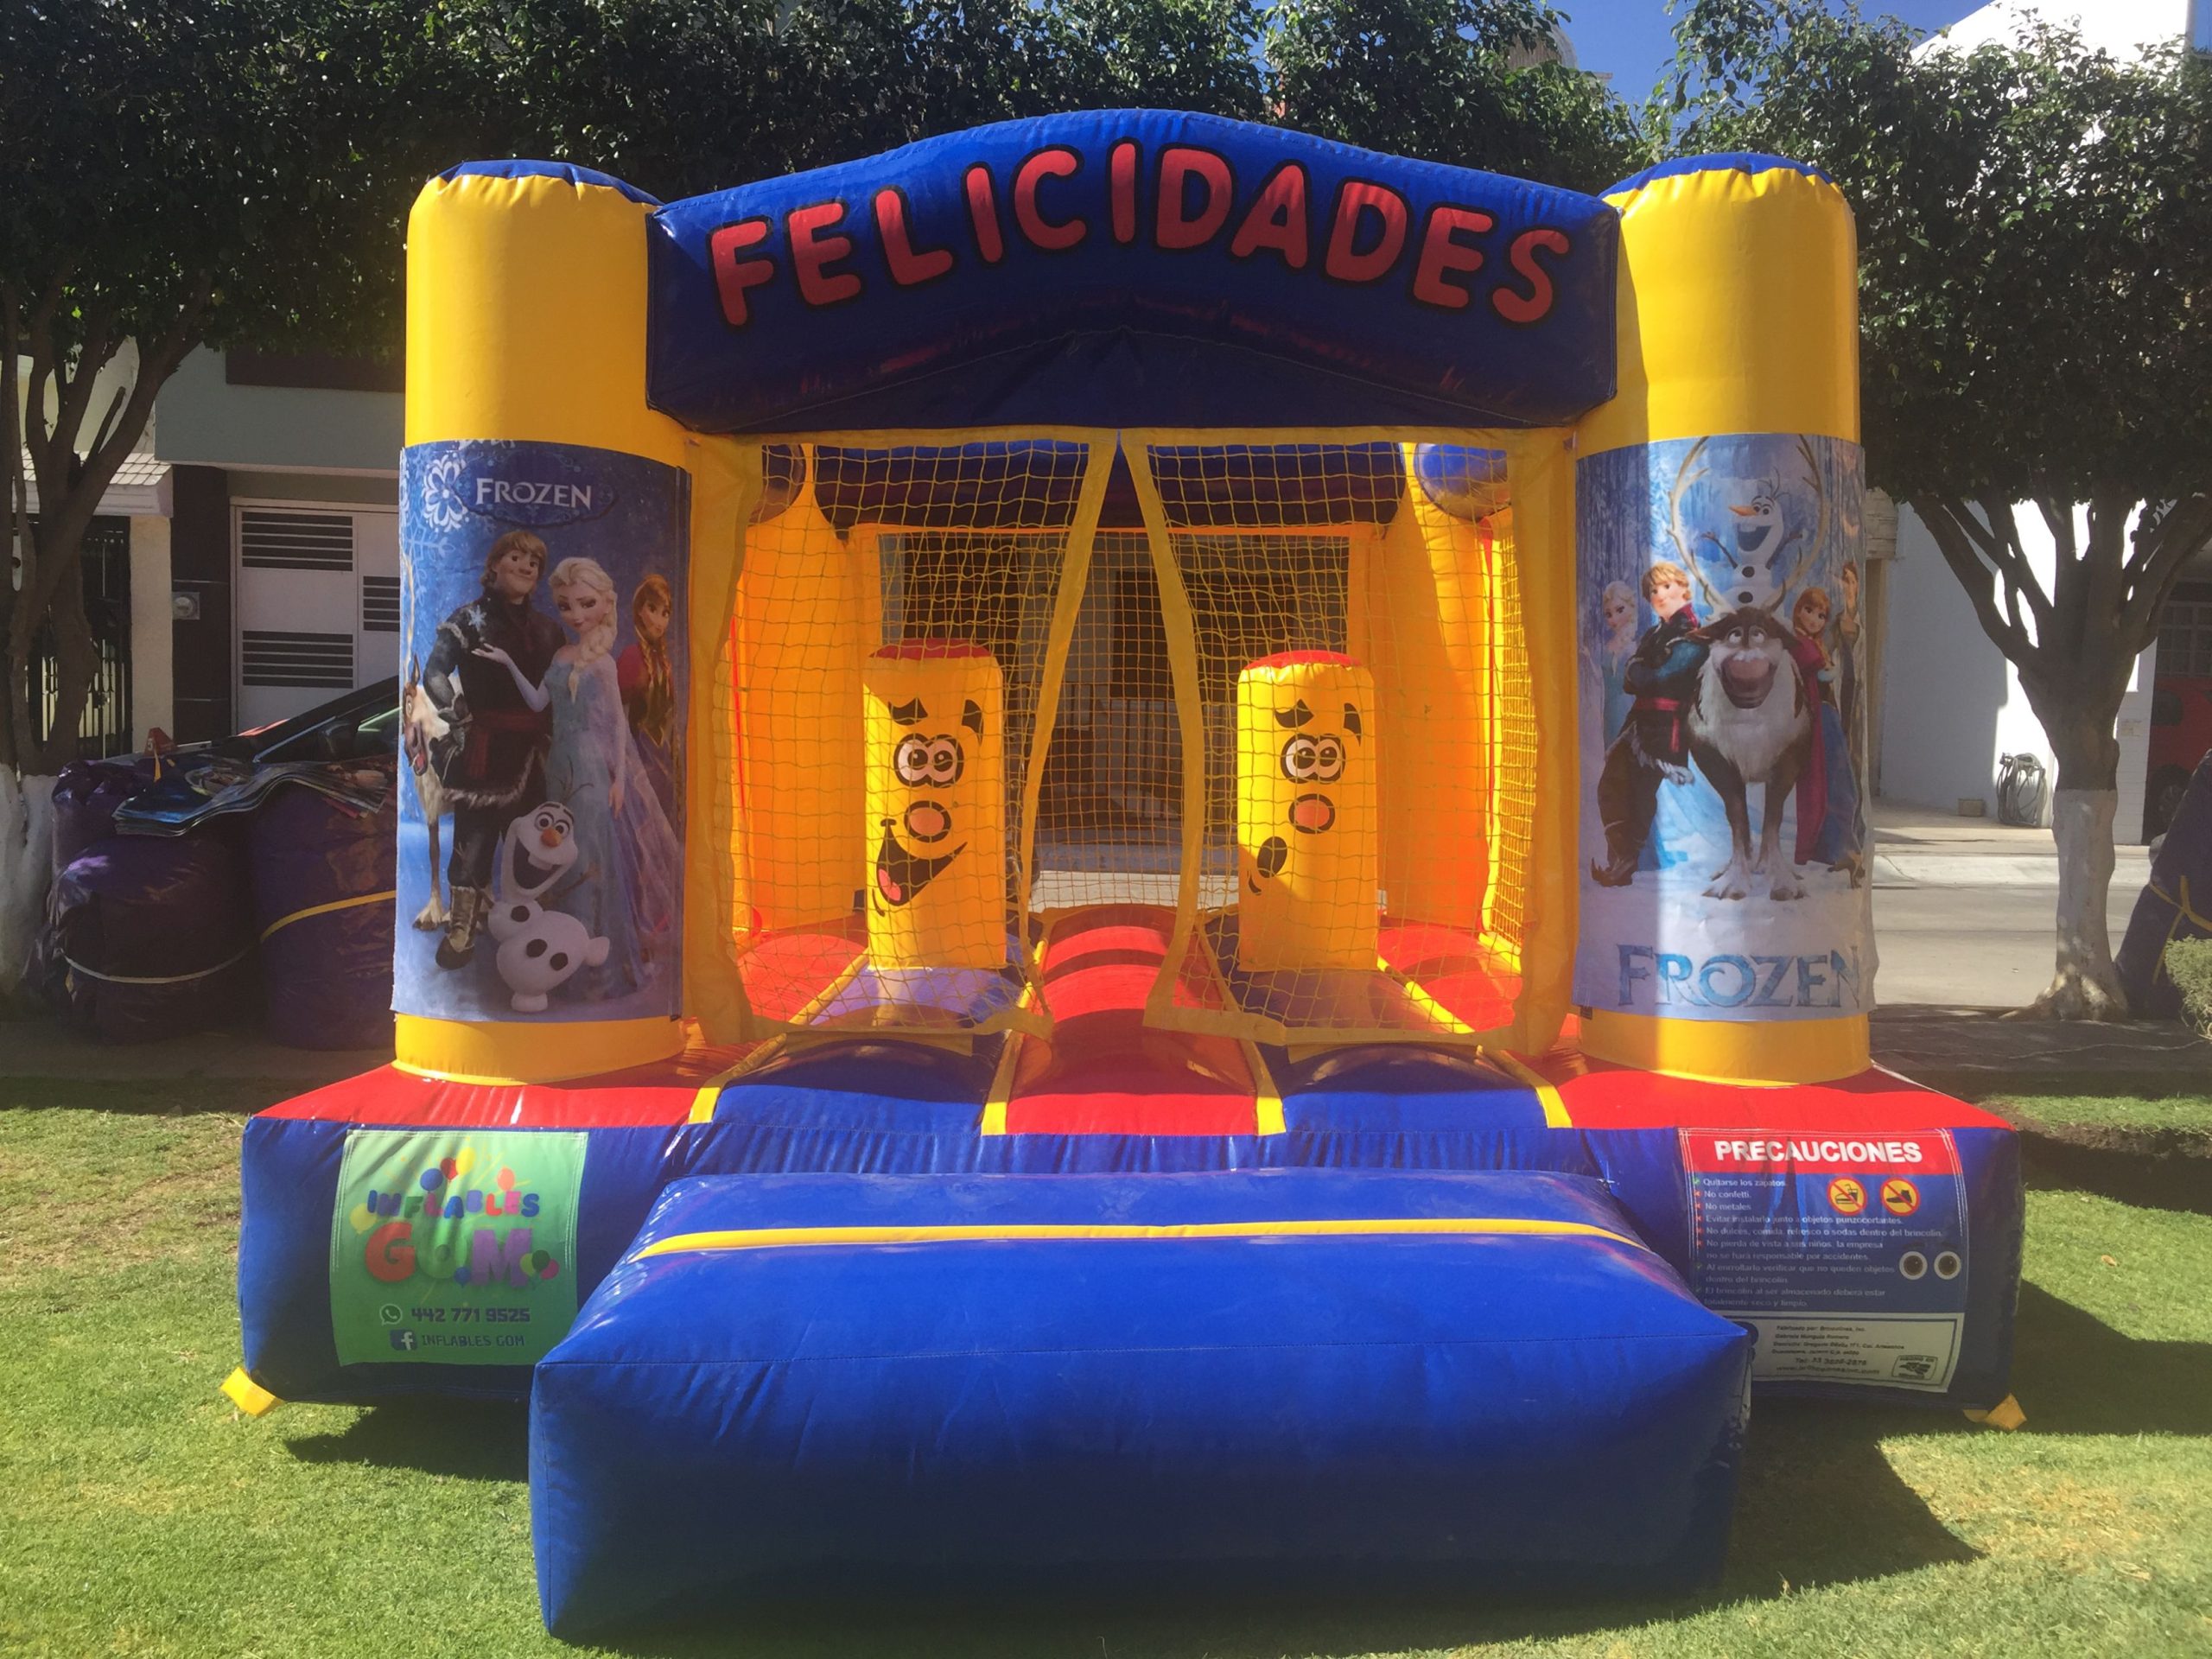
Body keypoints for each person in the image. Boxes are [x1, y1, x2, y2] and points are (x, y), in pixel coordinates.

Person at [476, 556, 682, 1002]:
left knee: (587, 859)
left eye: (586, 604)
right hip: (559, 765)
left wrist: (620, 780)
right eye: (566, 605)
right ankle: (563, 960)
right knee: (562, 857)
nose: (575, 615)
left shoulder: (603, 664)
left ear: (605, 605)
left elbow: (618, 725)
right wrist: (507, 662)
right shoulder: (561, 656)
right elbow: (537, 703)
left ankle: (595, 967)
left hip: (589, 769)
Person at [420, 530, 563, 970]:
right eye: (515, 557)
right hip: (483, 752)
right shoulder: (467, 620)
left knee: (534, 846)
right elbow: (434, 673)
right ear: (495, 564)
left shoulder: (548, 630)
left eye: (533, 562)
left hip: (535, 755)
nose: (525, 567)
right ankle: (462, 931)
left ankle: (533, 930)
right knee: (474, 842)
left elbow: (559, 692)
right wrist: (458, 713)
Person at [1591, 562, 1707, 887]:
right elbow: (1632, 677)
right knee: (1610, 784)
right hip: (1637, 725)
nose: (1660, 595)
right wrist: (1646, 671)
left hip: (1665, 728)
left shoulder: (1693, 633)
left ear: (1684, 589)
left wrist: (1646, 671)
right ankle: (1622, 858)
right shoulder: (1655, 634)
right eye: (1653, 591)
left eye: (1667, 587)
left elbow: (1663, 677)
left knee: (1641, 795)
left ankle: (1625, 863)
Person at [1792, 585, 1863, 879]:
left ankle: (1837, 848)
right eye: (1809, 611)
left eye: (1820, 615)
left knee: (1837, 784)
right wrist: (1830, 667)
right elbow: (1822, 671)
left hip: (1825, 715)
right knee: (1834, 784)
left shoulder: (1813, 642)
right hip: (1819, 716)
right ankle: (1836, 848)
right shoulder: (1800, 643)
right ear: (1798, 610)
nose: (1814, 619)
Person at [617, 573, 679, 822]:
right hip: (637, 762)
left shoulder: (664, 664)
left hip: (662, 763)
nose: (659, 620)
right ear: (640, 611)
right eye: (652, 609)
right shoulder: (631, 657)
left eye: (665, 613)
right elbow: (617, 716)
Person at [1594, 580, 1639, 743]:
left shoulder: (1632, 647)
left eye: (1620, 610)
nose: (1614, 619)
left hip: (1627, 709)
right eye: (1608, 614)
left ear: (1631, 608)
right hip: (1609, 712)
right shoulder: (1608, 646)